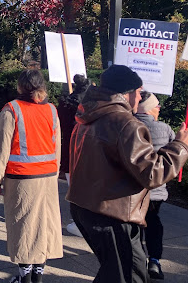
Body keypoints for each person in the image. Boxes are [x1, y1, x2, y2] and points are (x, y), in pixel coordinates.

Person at [67, 65, 188, 283]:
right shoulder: (125, 123)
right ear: (126, 93)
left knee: (116, 271)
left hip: (86, 208)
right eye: (139, 92)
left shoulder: (89, 114)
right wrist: (180, 145)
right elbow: (152, 174)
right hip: (112, 214)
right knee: (130, 275)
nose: (141, 98)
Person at [0, 70, 63, 283]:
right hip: (47, 177)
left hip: (21, 178)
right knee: (44, 227)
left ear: (20, 87)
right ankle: (37, 276)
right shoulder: (51, 110)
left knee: (23, 227)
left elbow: (1, 147)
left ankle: (25, 277)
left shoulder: (12, 110)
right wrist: (55, 172)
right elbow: (57, 145)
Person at [135, 91, 175, 280]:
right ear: (150, 109)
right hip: (156, 189)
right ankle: (154, 260)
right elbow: (175, 152)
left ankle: (137, 260)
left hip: (132, 189)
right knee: (153, 223)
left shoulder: (128, 125)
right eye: (157, 105)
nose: (159, 108)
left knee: (133, 227)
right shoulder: (165, 129)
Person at [56, 74, 90, 238]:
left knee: (74, 191)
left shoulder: (65, 104)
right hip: (87, 152)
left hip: (69, 151)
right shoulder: (93, 105)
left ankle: (79, 222)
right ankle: (84, 223)